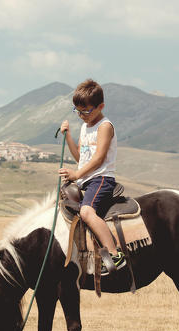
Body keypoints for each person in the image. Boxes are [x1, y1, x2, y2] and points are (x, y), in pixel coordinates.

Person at [58, 79, 126, 276]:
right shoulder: (84, 127)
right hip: (86, 179)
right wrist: (68, 136)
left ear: (101, 106)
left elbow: (98, 159)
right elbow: (81, 157)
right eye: (77, 111)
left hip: (101, 178)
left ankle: (114, 254)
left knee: (87, 212)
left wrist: (76, 174)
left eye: (86, 111)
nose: (81, 115)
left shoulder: (105, 126)